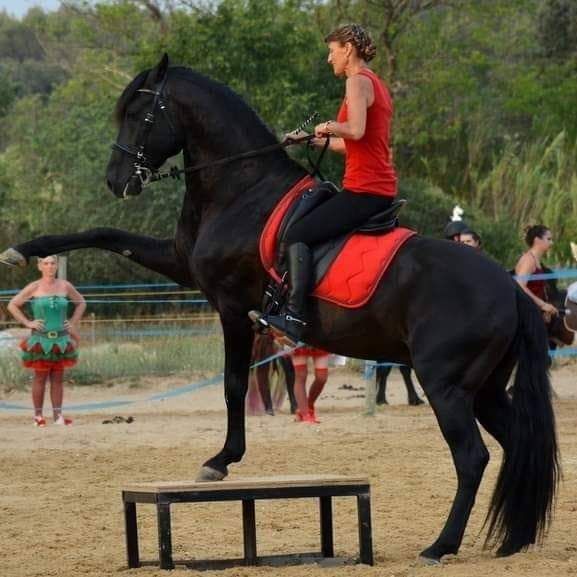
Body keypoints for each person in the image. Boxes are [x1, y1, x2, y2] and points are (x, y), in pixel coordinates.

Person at [253, 24, 397, 342]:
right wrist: (310, 139)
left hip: (365, 191)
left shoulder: (357, 82)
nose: (329, 58)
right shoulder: (376, 84)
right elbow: (350, 144)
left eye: (331, 51)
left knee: (297, 234)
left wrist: (329, 125)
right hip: (374, 188)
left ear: (347, 48)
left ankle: (295, 316)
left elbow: (355, 130)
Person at [7, 255, 86, 427]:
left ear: (57, 266)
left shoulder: (65, 285)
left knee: (58, 379)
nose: (50, 266)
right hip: (40, 341)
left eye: (52, 263)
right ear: (39, 266)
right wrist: (28, 322)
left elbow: (81, 303)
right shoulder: (34, 287)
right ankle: (38, 417)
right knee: (40, 378)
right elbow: (12, 305)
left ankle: (58, 416)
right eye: (46, 263)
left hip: (61, 341)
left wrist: (72, 323)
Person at [514, 225, 558, 322]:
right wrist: (542, 305)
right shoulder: (528, 260)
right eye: (549, 239)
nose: (552, 243)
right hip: (524, 316)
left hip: (533, 313)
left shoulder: (536, 260)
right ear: (537, 240)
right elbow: (519, 286)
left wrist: (543, 310)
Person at [291, 346, 330, 423]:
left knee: (322, 378)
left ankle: (308, 406)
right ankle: (305, 414)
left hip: (318, 340)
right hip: (299, 340)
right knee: (301, 376)